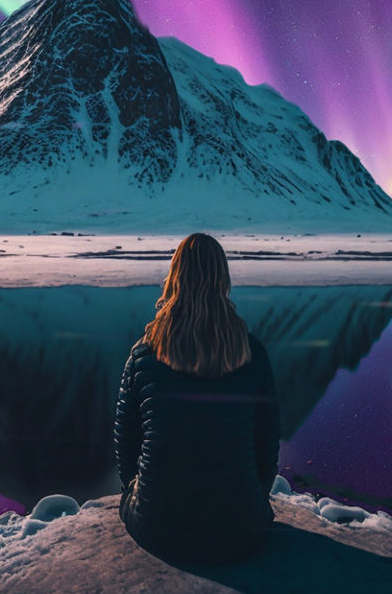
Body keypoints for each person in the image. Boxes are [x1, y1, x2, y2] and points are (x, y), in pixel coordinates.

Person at [114, 233, 280, 564]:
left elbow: (126, 441)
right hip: (243, 530)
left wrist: (139, 490)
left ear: (175, 277)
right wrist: (255, 500)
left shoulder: (144, 352)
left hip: (156, 528)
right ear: (223, 279)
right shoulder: (252, 352)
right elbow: (267, 444)